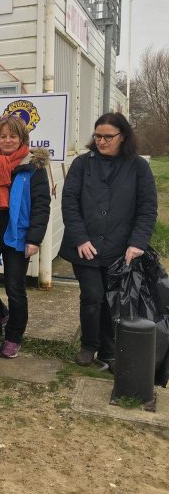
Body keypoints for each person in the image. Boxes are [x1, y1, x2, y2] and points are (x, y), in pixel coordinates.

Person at [60, 112, 157, 369]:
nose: (101, 141)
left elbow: (147, 207)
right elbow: (69, 202)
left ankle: (109, 350)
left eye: (107, 137)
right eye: (97, 136)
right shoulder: (82, 164)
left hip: (120, 248)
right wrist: (80, 238)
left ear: (122, 136)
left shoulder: (138, 167)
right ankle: (88, 345)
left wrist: (137, 243)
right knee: (92, 296)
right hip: (85, 248)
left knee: (112, 301)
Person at [0, 116, 51, 359]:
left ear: (22, 138)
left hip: (18, 232)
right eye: (3, 136)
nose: (8, 140)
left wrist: (34, 238)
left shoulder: (34, 166)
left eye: (13, 136)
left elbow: (42, 206)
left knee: (15, 288)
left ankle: (13, 337)